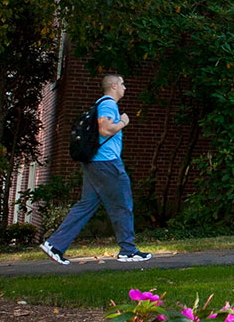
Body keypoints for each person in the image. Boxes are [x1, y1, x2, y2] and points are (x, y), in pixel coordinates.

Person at [39, 74, 151, 265]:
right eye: (123, 84)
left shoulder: (100, 103)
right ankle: (128, 251)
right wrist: (124, 121)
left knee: (86, 205)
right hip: (107, 163)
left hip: (95, 163)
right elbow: (105, 130)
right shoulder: (108, 104)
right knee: (123, 204)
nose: (125, 87)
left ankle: (55, 245)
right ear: (114, 86)